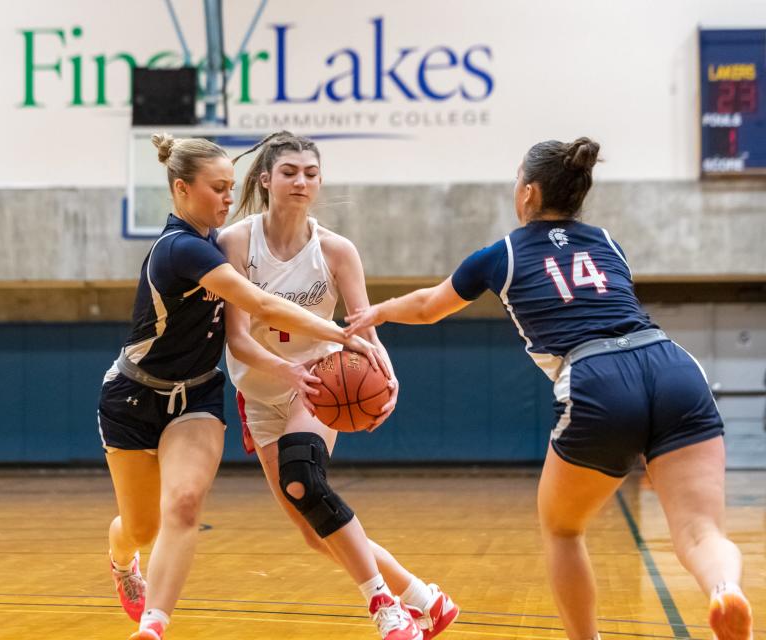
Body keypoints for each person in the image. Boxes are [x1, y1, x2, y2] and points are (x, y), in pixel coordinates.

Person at [345, 137, 753, 640]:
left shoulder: (501, 255)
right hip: (672, 366)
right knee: (700, 531)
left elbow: (430, 306)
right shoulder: (607, 242)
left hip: (596, 376)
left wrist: (379, 311)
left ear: (528, 193)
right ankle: (724, 590)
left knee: (563, 529)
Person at [99, 133, 387, 640]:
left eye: (232, 188)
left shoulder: (222, 241)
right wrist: (343, 335)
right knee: (140, 527)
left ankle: (153, 625)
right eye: (217, 188)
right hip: (132, 395)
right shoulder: (181, 249)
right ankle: (123, 559)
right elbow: (264, 306)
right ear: (182, 189)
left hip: (197, 396)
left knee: (184, 505)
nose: (229, 199)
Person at [218, 131, 459, 640]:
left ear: (320, 181)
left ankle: (383, 606)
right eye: (289, 172)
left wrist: (388, 377)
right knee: (312, 531)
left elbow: (363, 328)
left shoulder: (336, 250)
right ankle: (424, 598)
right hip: (262, 389)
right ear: (265, 180)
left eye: (310, 173)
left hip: (323, 384)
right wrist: (284, 372)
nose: (301, 181)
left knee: (303, 479)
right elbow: (237, 340)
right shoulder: (236, 243)